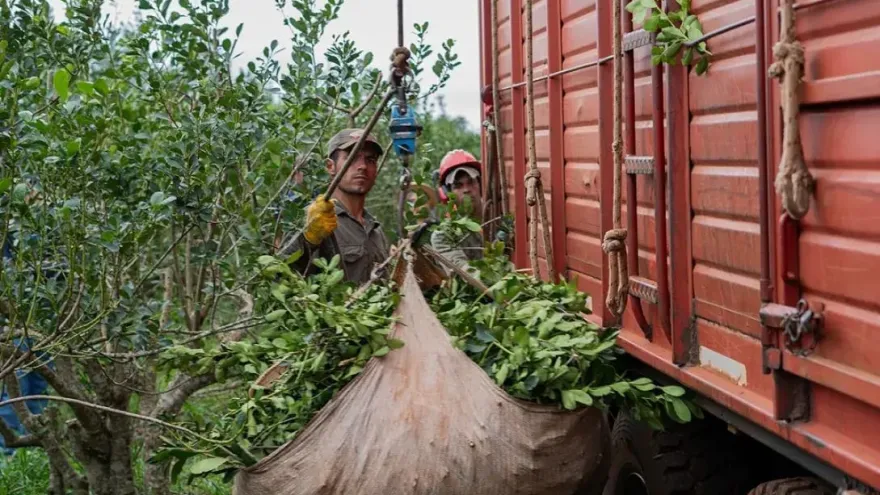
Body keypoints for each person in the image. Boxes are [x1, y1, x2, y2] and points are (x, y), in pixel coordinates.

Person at [279, 128, 390, 286]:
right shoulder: (313, 218)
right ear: (330, 167)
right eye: (352, 158)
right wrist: (308, 239)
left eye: (370, 159)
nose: (363, 166)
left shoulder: (376, 230)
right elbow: (281, 277)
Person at [430, 150, 485, 275]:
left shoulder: (498, 216)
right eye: (458, 185)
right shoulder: (444, 236)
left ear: (481, 184)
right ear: (447, 193)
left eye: (471, 182)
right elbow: (467, 274)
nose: (466, 190)